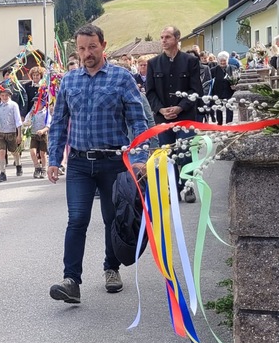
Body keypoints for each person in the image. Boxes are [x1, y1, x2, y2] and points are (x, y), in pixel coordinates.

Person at [46, 24, 152, 304]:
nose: (87, 53)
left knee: (111, 217)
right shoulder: (69, 81)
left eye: (92, 47)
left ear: (103, 45)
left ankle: (111, 268)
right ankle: (71, 280)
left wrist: (139, 159)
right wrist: (54, 159)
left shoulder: (122, 78)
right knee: (77, 219)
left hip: (113, 162)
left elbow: (137, 122)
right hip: (79, 163)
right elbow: (58, 123)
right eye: (81, 48)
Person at [145, 25, 203, 203]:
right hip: (163, 118)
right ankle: (172, 188)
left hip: (185, 116)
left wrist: (180, 107)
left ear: (177, 39)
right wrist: (161, 109)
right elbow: (150, 92)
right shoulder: (153, 63)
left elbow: (196, 90)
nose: (164, 40)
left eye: (168, 37)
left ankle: (187, 186)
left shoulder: (190, 61)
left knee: (185, 152)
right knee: (167, 154)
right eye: (162, 37)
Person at [0, 87, 23, 182]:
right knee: (1, 152)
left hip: (11, 132)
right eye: (2, 95)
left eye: (6, 95)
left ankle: (18, 164)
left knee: (14, 151)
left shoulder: (13, 105)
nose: (4, 97)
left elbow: (18, 120)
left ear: (9, 95)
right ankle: (2, 173)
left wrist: (19, 134)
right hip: (0, 133)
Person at [23, 95, 50, 179]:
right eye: (34, 103)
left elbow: (48, 125)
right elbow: (26, 123)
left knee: (43, 153)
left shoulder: (46, 113)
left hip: (43, 135)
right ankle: (37, 167)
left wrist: (43, 130)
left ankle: (44, 168)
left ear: (43, 104)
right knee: (33, 152)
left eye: (38, 103)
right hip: (34, 135)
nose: (36, 105)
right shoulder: (32, 113)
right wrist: (28, 120)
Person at [210, 51, 238, 125]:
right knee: (219, 108)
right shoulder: (213, 70)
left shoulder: (233, 68)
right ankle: (219, 123)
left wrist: (235, 85)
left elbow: (237, 79)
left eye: (224, 60)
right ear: (218, 61)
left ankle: (229, 123)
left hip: (229, 91)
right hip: (218, 92)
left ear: (227, 60)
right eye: (221, 61)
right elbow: (211, 82)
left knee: (229, 108)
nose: (222, 62)